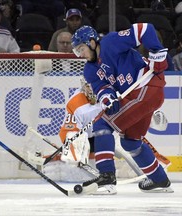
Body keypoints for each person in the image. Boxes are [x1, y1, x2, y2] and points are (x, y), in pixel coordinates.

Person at [71, 24, 173, 193]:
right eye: (77, 52)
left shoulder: (110, 42)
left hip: (147, 85)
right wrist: (108, 98)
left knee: (101, 125)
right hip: (137, 96)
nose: (80, 54)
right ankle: (160, 180)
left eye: (81, 49)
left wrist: (157, 52)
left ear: (91, 42)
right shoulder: (90, 70)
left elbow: (144, 29)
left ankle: (106, 178)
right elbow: (102, 88)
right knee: (130, 142)